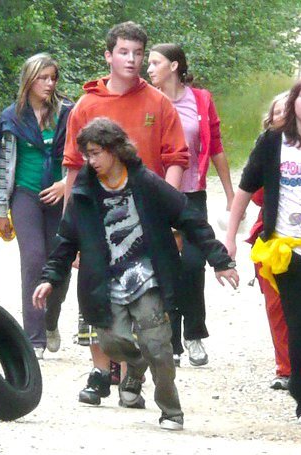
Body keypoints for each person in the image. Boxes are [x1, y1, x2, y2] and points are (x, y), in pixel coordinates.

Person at [34, 118, 238, 431]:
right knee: (112, 343)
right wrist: (50, 278)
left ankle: (171, 411)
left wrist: (219, 259)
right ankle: (137, 363)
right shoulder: (84, 192)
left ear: (115, 150)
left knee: (158, 345)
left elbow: (189, 217)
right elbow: (66, 241)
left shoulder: (146, 183)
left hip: (148, 274)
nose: (91, 161)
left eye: (96, 153)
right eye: (87, 155)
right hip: (106, 280)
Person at [62, 21, 189, 405]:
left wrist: (170, 217)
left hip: (143, 221)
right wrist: (73, 230)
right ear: (108, 56)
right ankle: (100, 372)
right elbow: (73, 169)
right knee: (95, 295)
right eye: (123, 52)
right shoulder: (87, 106)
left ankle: (134, 374)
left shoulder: (158, 103)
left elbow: (175, 159)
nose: (131, 60)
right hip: (97, 219)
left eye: (137, 53)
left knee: (143, 301)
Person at [225, 77, 301, 425]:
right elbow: (245, 189)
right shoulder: (273, 142)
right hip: (287, 248)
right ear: (293, 103)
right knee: (299, 322)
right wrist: (230, 237)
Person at [0, 53, 73, 360]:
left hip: (60, 197)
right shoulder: (12, 117)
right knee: (33, 260)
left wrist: (65, 184)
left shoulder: (68, 113)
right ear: (29, 80)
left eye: (53, 78)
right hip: (25, 194)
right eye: (43, 78)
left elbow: (80, 156)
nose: (49, 84)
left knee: (59, 264)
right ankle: (34, 337)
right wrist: (1, 209)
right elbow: (2, 165)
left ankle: (50, 320)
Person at [147, 43, 235, 367]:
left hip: (192, 194)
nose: (148, 69)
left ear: (174, 66)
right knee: (167, 266)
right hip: (158, 196)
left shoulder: (201, 99)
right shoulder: (148, 100)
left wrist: (231, 195)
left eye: (154, 63)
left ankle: (194, 334)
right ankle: (172, 342)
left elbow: (217, 147)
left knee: (194, 263)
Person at [244, 92, 291, 389]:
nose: (284, 116)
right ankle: (285, 368)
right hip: (270, 237)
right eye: (278, 111)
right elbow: (255, 194)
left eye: (289, 109)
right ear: (270, 119)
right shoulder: (265, 147)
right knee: (275, 306)